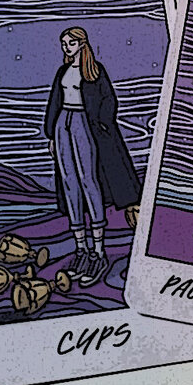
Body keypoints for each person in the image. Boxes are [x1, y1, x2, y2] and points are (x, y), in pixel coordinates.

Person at [44, 27, 142, 285]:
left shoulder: (95, 70)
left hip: (84, 124)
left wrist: (101, 123)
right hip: (63, 124)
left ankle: (98, 252)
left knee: (89, 181)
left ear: (82, 43)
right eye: (63, 43)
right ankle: (81, 250)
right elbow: (55, 101)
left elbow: (109, 100)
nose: (66, 47)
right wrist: (51, 134)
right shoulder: (62, 71)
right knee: (70, 183)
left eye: (70, 42)